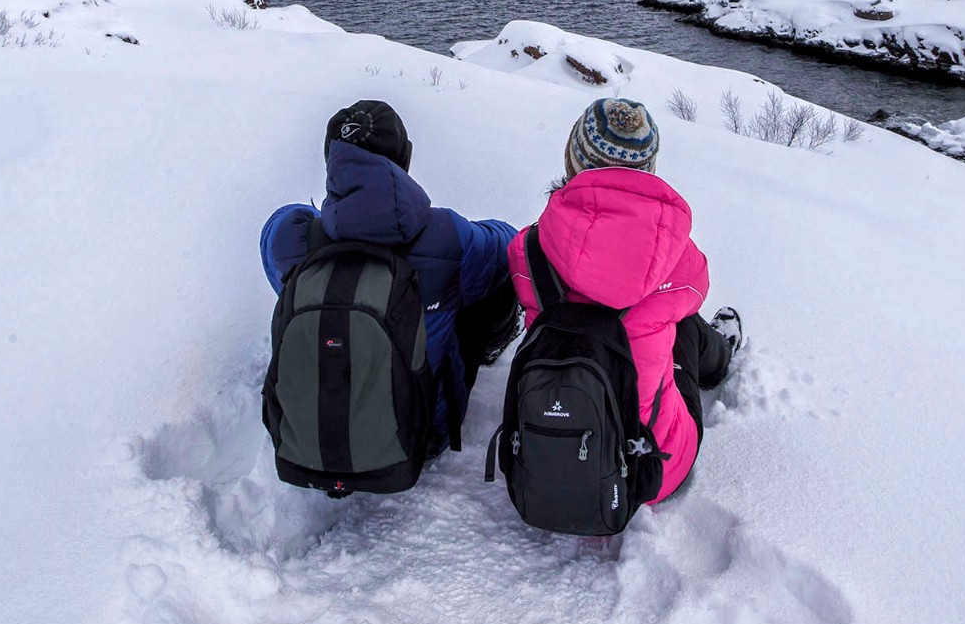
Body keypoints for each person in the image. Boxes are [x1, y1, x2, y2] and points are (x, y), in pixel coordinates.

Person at [508, 97, 740, 504]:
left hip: (542, 449)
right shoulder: (679, 261)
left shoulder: (526, 250)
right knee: (682, 321)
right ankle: (720, 359)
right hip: (649, 466)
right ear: (648, 170)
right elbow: (697, 288)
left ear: (573, 161)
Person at [260, 100, 520, 459]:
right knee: (483, 283)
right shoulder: (449, 236)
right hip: (421, 434)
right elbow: (508, 242)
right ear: (404, 159)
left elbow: (280, 221)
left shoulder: (292, 237)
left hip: (308, 439)